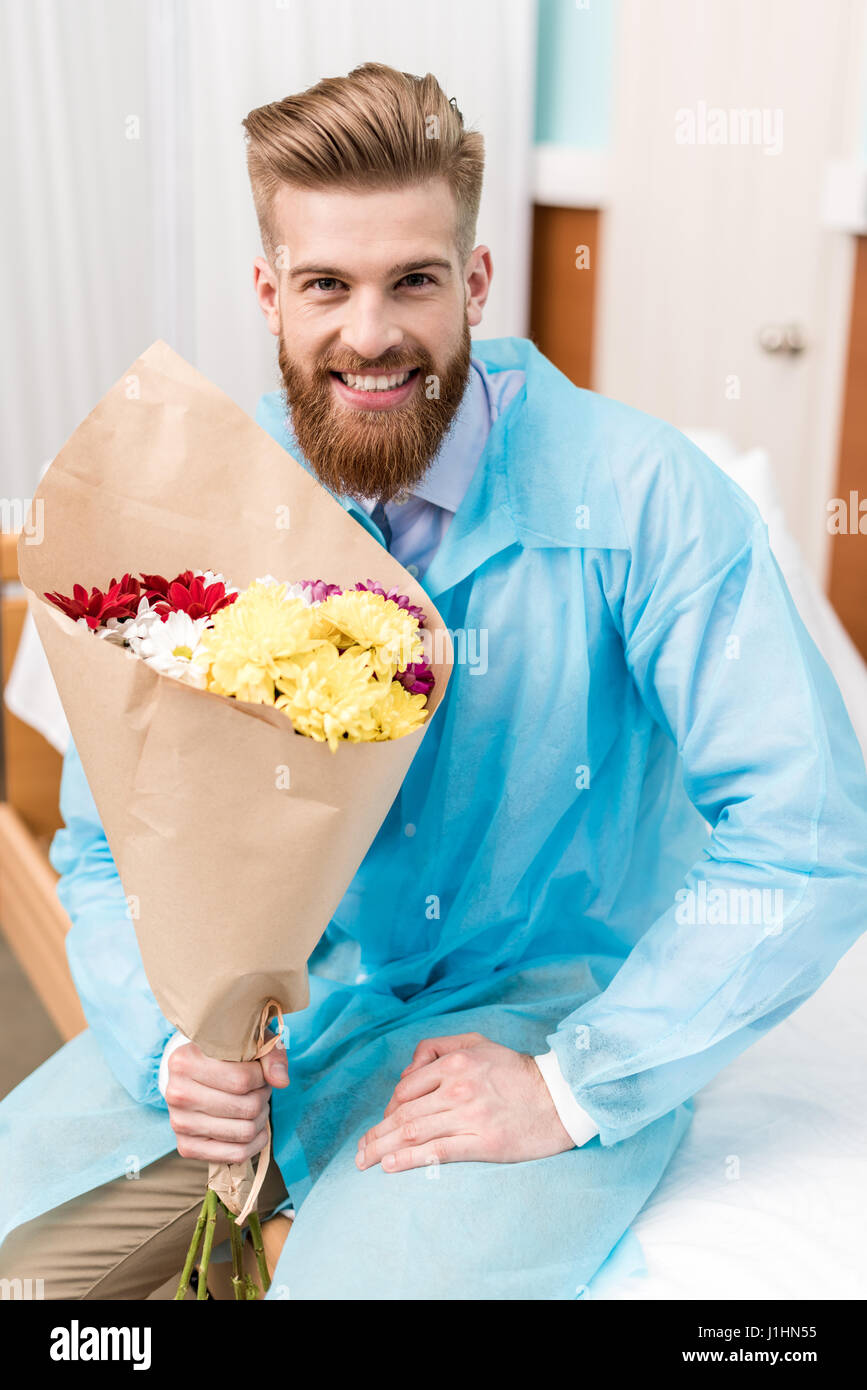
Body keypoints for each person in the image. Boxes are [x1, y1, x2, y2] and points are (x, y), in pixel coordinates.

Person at [2, 62, 866, 1301]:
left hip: (534, 1014)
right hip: (267, 1030)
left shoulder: (648, 502)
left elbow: (809, 834)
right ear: (269, 295)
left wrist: (576, 1083)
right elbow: (101, 847)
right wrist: (167, 1037)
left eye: (412, 279)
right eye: (325, 285)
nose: (369, 333)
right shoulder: (195, 511)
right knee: (28, 1282)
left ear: (473, 281)